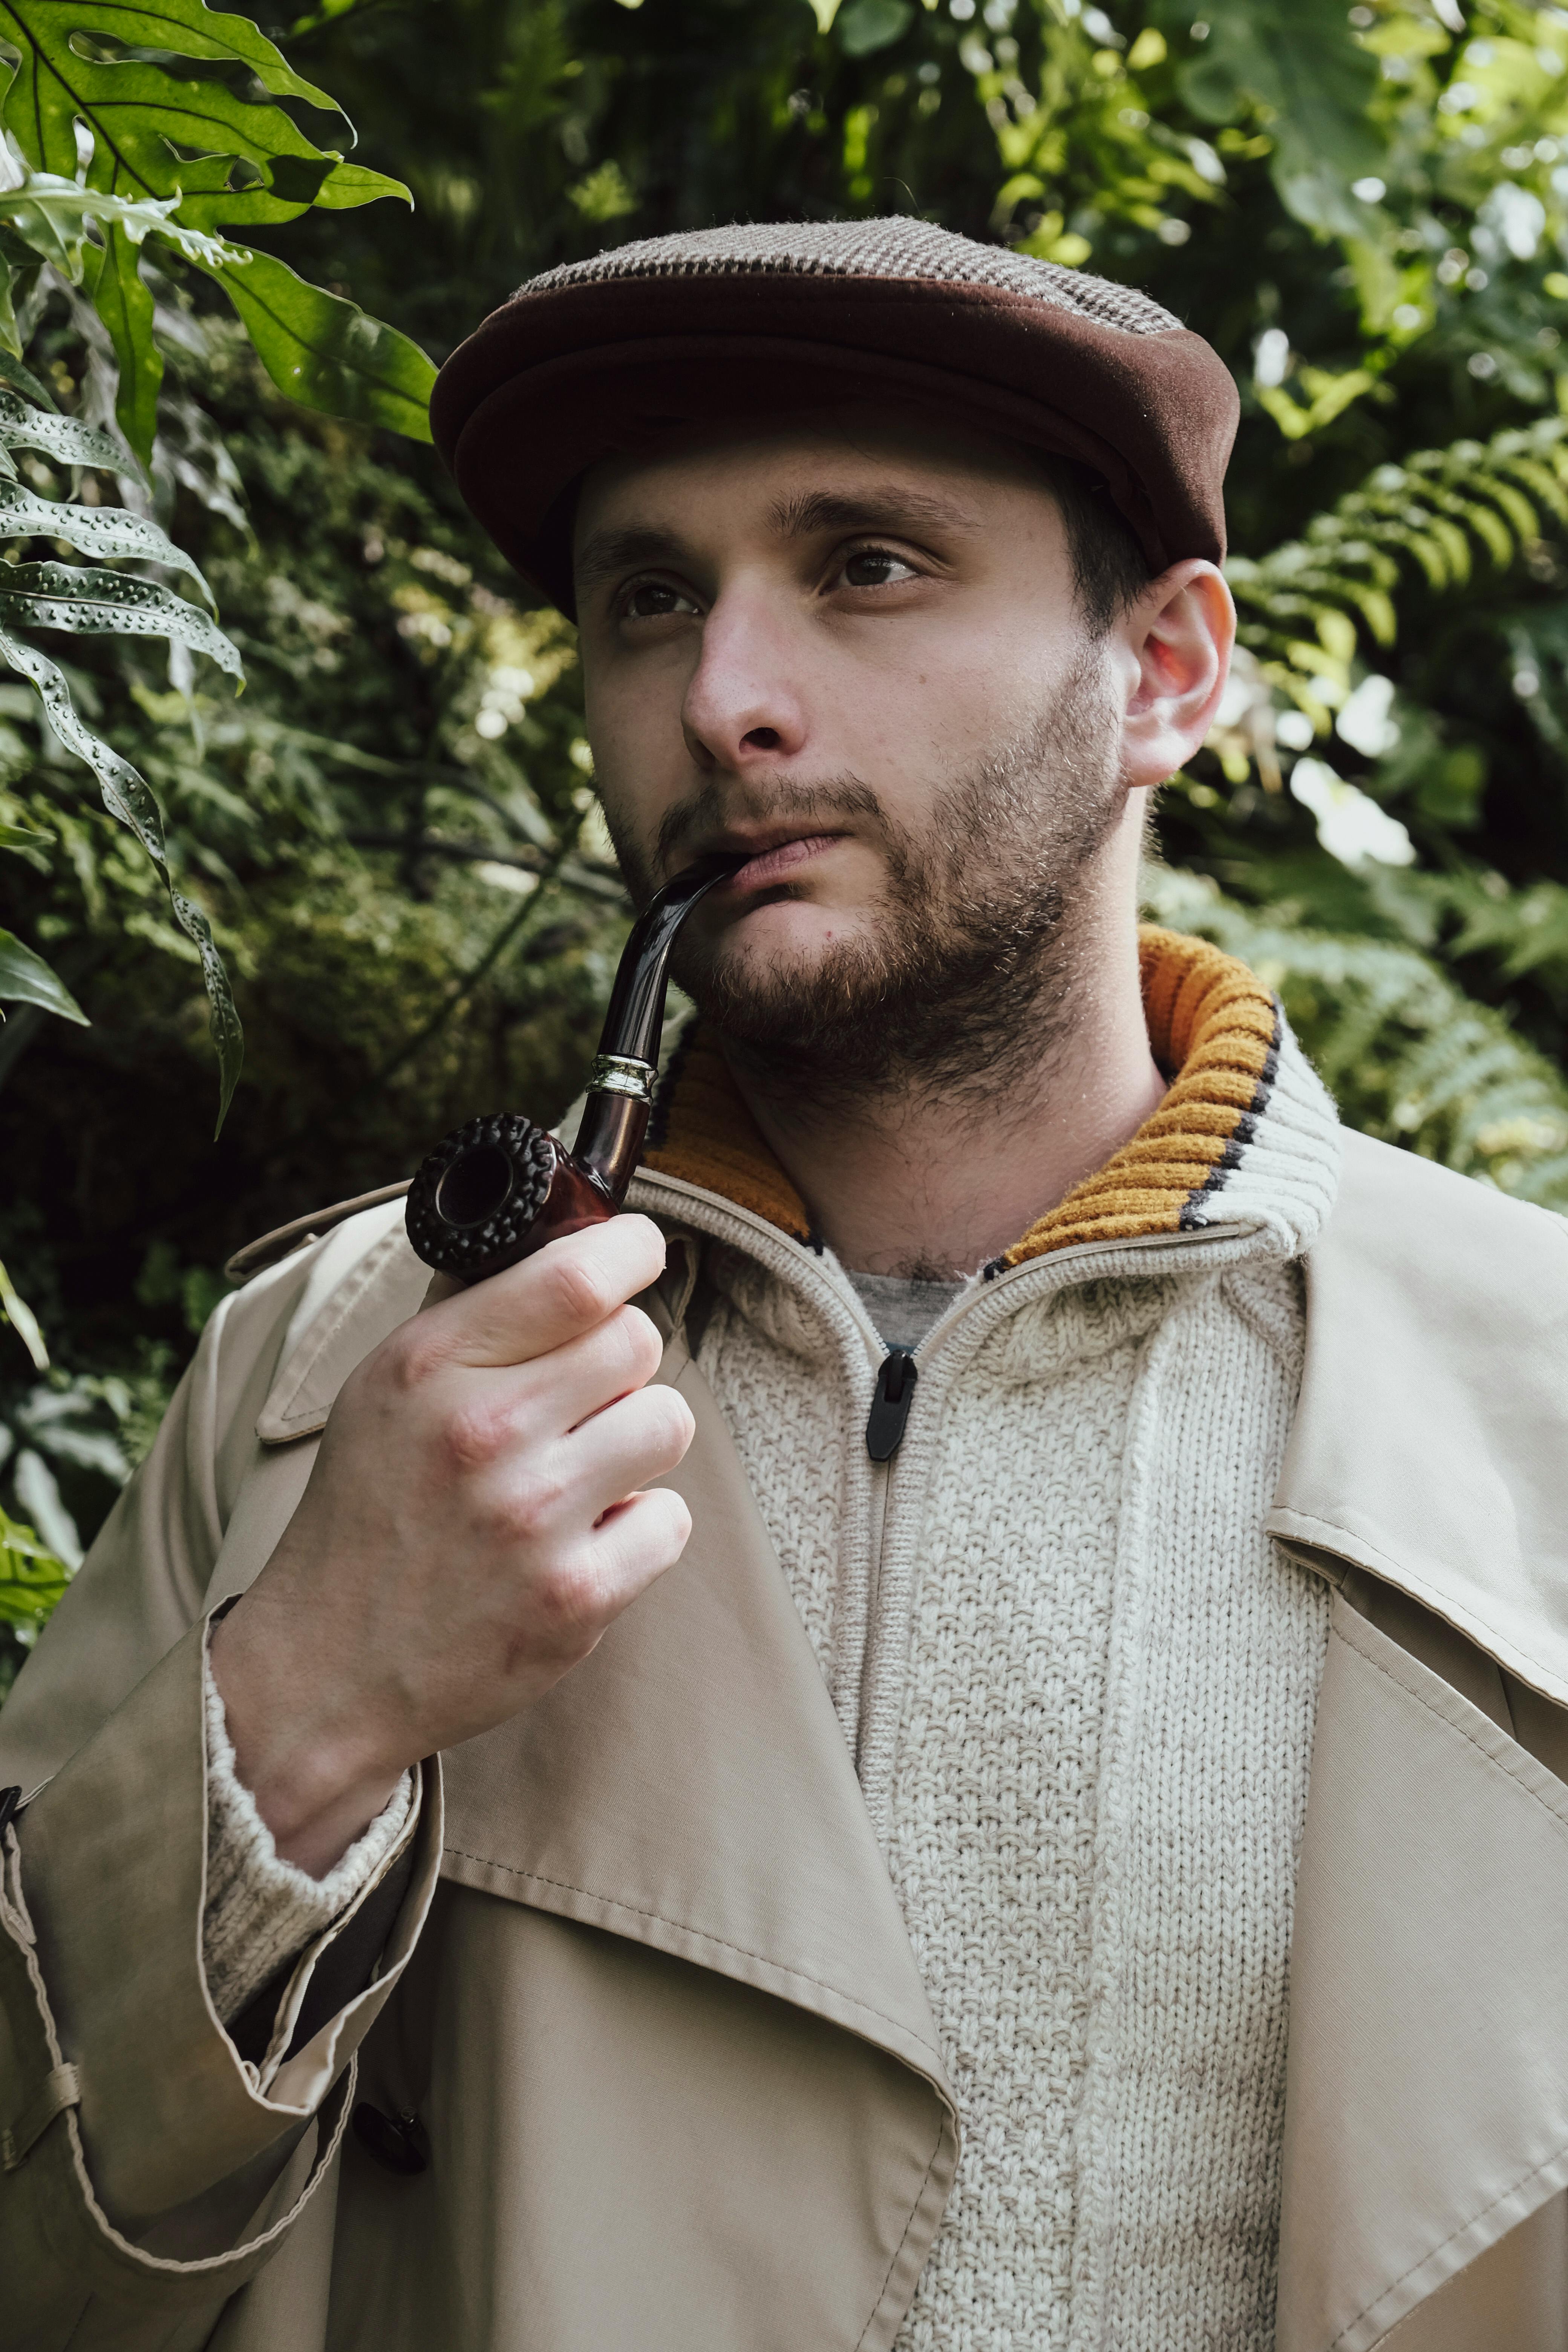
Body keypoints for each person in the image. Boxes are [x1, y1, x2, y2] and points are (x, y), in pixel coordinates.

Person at [2, 220, 1565, 2352]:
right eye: (649, 597)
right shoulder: (320, 1379)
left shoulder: (1537, 1406)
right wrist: (296, 1713)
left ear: (1171, 671)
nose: (722, 700)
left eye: (868, 568)